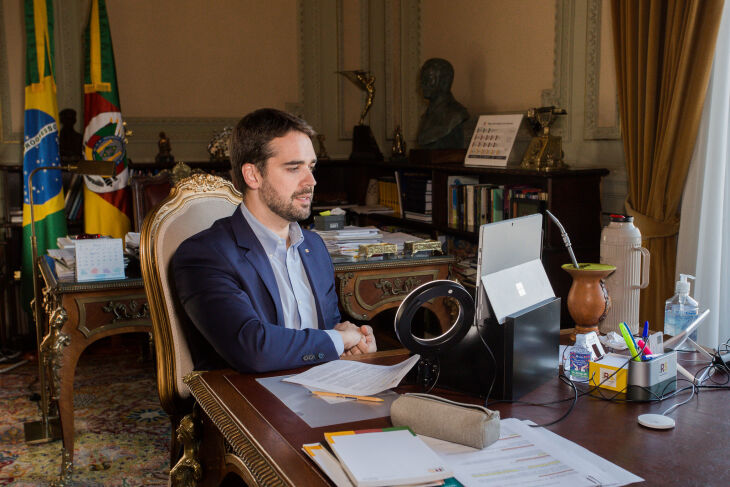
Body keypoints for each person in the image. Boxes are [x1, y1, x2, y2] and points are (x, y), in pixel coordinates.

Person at [171, 108, 376, 373]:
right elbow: (253, 349)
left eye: (311, 167)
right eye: (294, 168)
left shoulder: (313, 246)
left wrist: (352, 342)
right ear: (253, 175)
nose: (311, 181)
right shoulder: (204, 255)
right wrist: (340, 339)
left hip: (324, 390)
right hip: (250, 402)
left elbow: (328, 332)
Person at [416, 58, 469, 149]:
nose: (423, 84)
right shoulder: (427, 115)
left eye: (428, 79)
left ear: (444, 81)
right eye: (422, 79)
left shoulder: (456, 114)